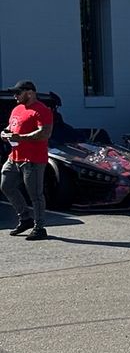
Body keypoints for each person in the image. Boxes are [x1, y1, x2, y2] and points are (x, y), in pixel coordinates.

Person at [3, 80, 54, 241]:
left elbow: (45, 133)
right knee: (6, 186)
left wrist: (20, 138)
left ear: (30, 93)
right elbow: (11, 128)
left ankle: (40, 228)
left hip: (33, 160)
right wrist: (4, 133)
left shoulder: (41, 110)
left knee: (35, 195)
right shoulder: (17, 109)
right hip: (14, 157)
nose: (15, 96)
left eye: (18, 93)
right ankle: (25, 219)